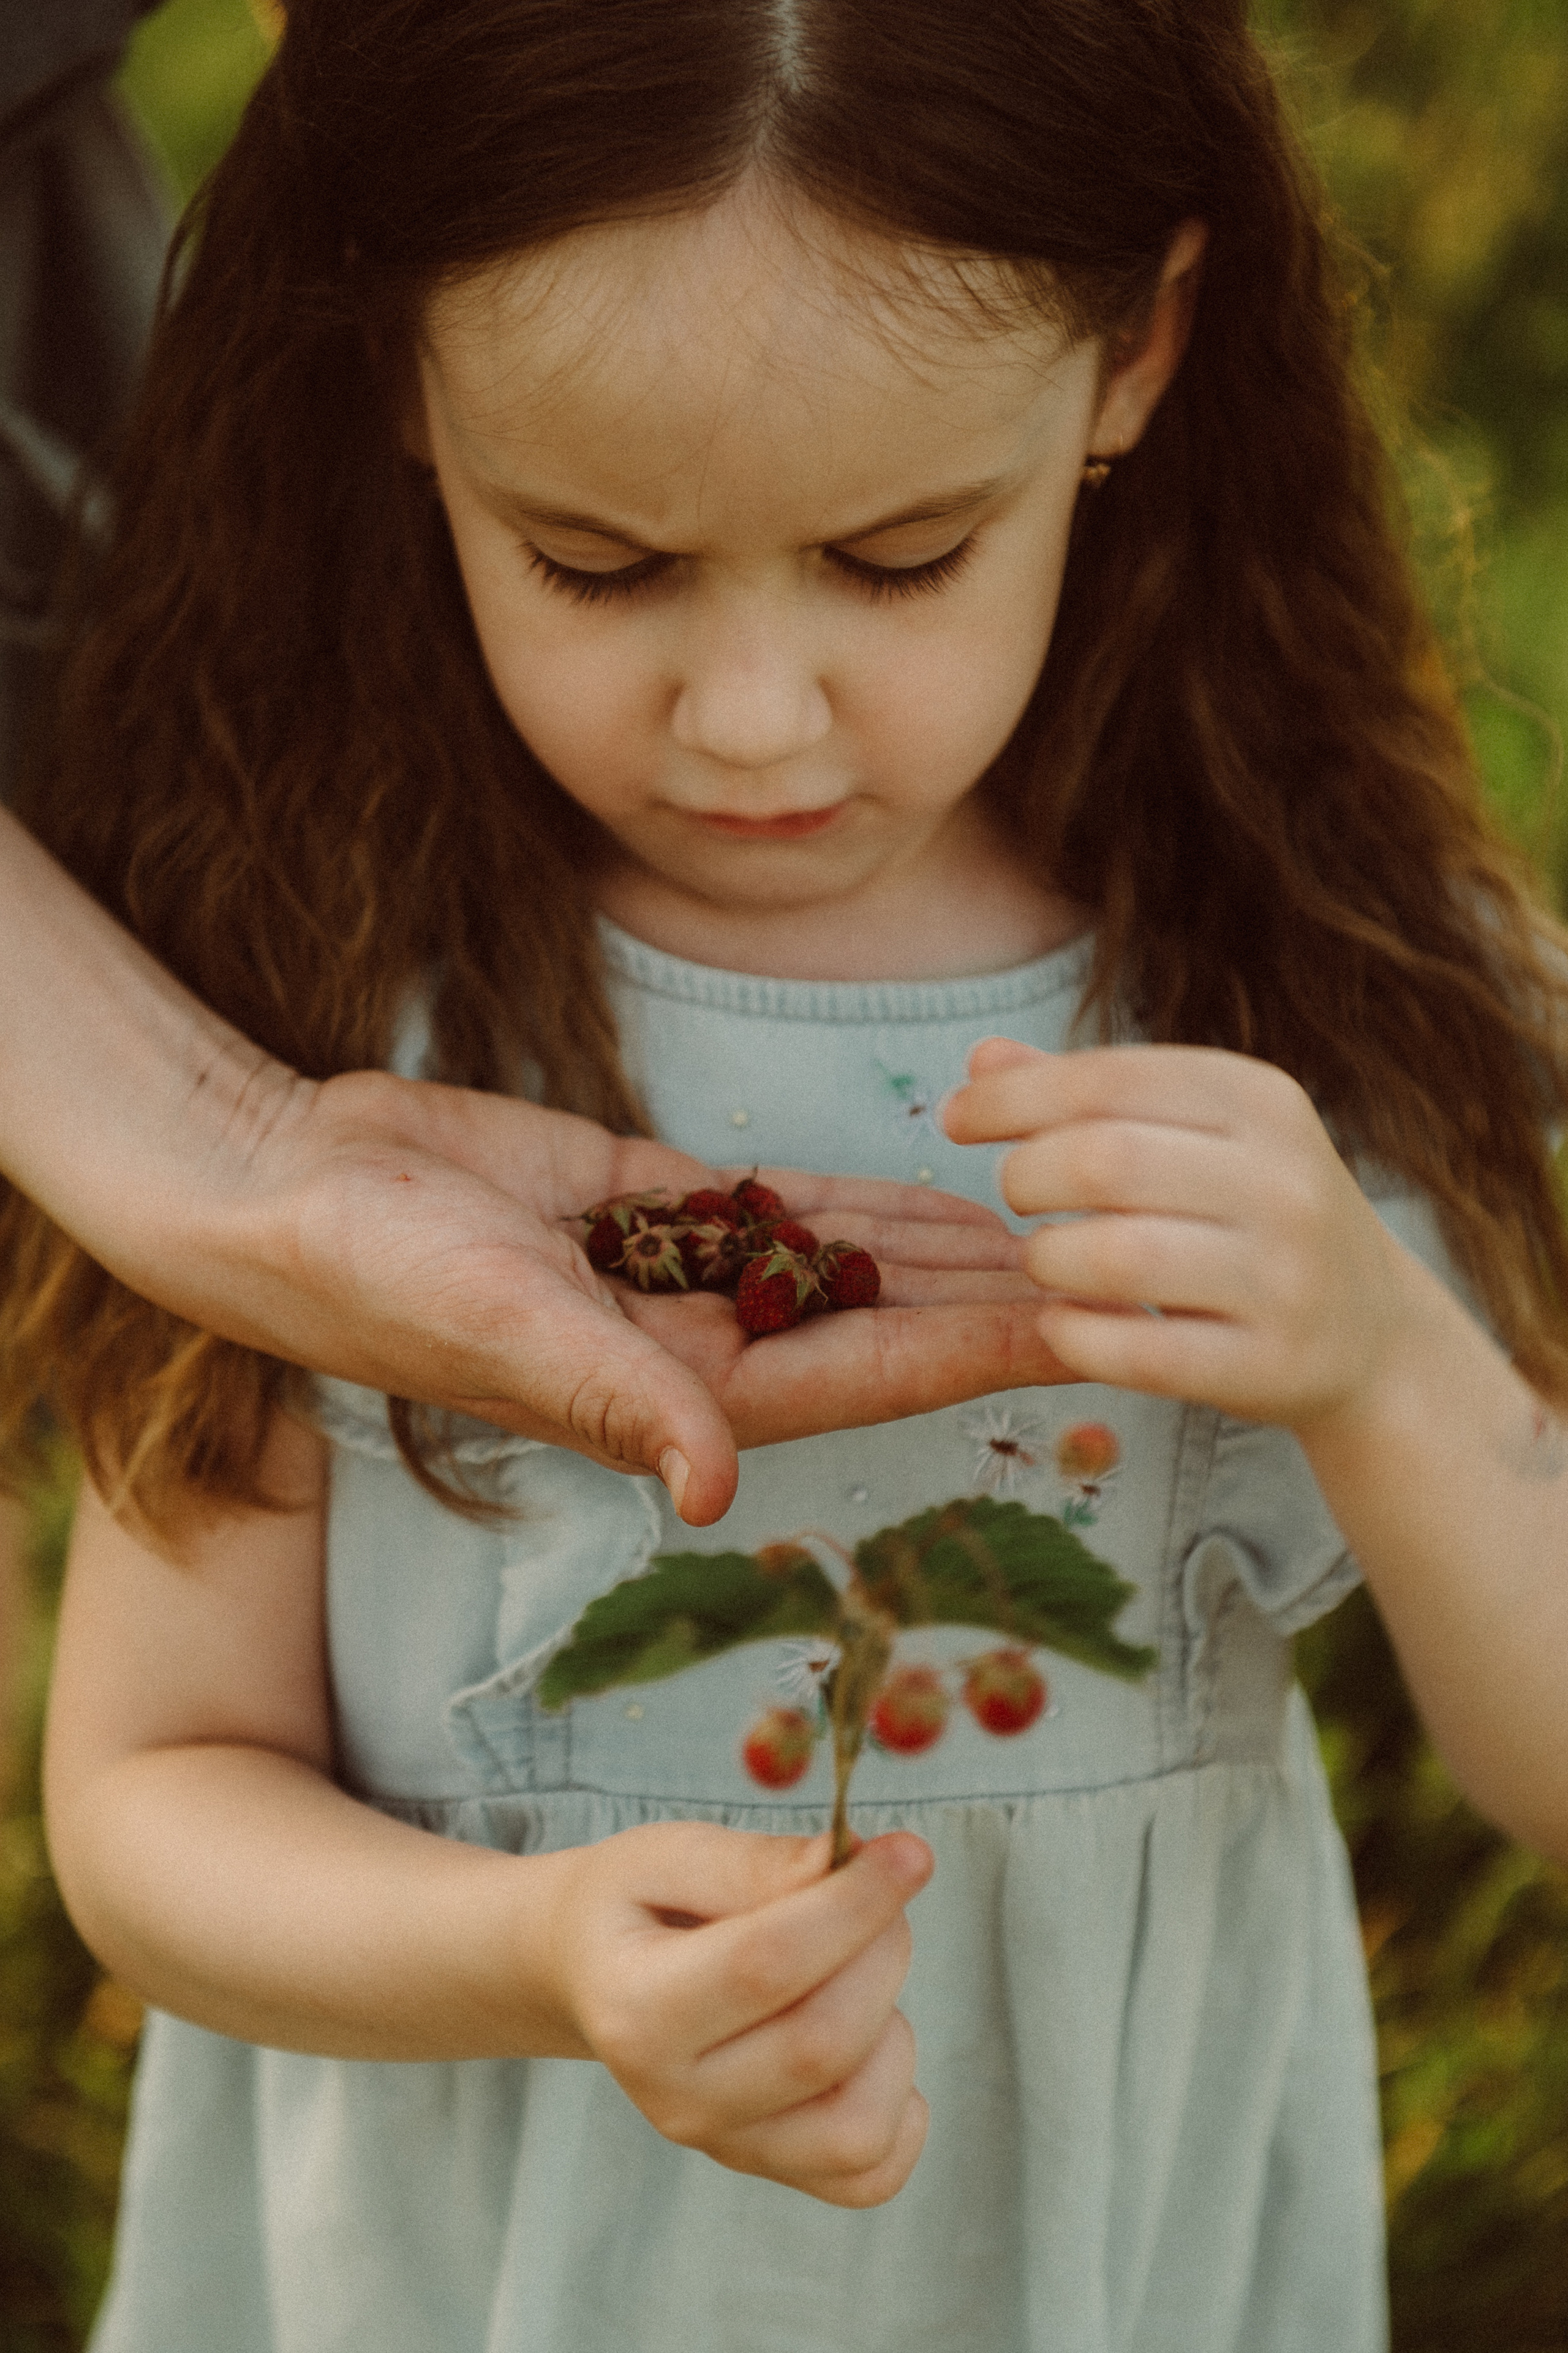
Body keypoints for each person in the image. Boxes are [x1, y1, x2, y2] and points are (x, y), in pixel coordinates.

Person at [21, 0, 1568, 2344]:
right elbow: (149, 1804)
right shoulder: (317, 995)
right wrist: (532, 1954)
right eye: (600, 565)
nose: (752, 718)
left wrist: (1383, 1360)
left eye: (900, 554)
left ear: (1138, 354)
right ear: (405, 381)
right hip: (472, 2268)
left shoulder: (1304, 975)